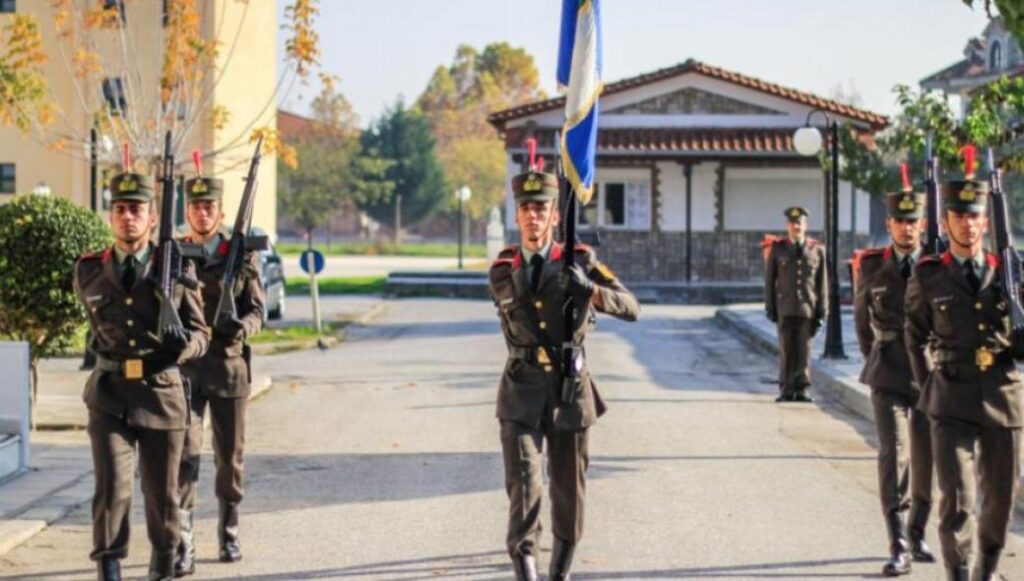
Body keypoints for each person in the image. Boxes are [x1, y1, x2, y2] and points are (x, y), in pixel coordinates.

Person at [487, 169, 640, 580]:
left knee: (568, 490)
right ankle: (526, 568)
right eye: (525, 208)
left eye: (541, 208)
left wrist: (589, 290)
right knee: (524, 486)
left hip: (569, 392)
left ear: (555, 216)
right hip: (520, 390)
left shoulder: (581, 260)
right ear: (516, 216)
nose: (532, 216)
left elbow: (631, 306)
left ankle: (560, 571)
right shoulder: (502, 268)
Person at [74, 171, 209, 581]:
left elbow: (202, 333)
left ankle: (164, 564)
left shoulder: (177, 268)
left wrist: (183, 344)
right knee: (111, 491)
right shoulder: (88, 270)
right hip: (110, 394)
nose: (127, 217)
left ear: (152, 217)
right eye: (120, 209)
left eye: (136, 209)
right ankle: (109, 568)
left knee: (162, 496)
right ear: (110, 216)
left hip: (161, 394)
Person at [905, 176, 1024, 581]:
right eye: (959, 216)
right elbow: (915, 334)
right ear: (945, 222)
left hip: (1003, 395)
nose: (968, 225)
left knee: (1001, 498)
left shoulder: (1011, 271)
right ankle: (957, 573)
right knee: (956, 498)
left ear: (986, 223)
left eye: (974, 218)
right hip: (951, 394)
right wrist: (929, 385)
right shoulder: (929, 276)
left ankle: (985, 571)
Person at [174, 175, 265, 576]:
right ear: (188, 211)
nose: (202, 212)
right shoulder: (175, 254)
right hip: (187, 371)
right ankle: (184, 540)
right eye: (196, 207)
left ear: (220, 212)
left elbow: (258, 311)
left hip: (229, 368)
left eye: (209, 206)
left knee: (229, 460)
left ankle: (229, 530)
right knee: (184, 457)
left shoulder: (241, 253)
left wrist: (241, 326)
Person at [853, 189, 935, 576]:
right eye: (899, 221)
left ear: (922, 224)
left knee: (926, 457)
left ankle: (919, 532)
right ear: (889, 225)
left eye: (912, 221)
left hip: (929, 375)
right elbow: (860, 320)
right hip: (887, 372)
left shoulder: (936, 267)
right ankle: (898, 541)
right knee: (894, 452)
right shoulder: (872, 266)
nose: (906, 227)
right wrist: (876, 353)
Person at [764, 206, 827, 402]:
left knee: (804, 350)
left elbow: (822, 283)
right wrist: (770, 307)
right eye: (792, 223)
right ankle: (785, 388)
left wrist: (822, 311)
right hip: (785, 307)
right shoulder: (778, 248)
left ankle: (802, 389)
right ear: (787, 225)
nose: (796, 226)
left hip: (807, 308)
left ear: (805, 225)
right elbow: (770, 280)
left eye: (799, 223)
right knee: (786, 349)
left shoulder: (817, 250)